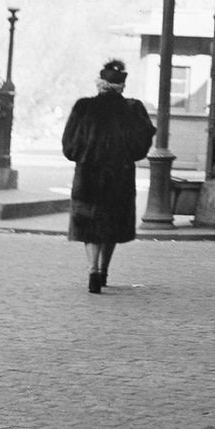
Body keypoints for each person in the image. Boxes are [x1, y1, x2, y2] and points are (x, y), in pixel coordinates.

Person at [61, 58, 156, 294]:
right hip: (119, 176)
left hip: (88, 175)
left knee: (89, 225)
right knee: (113, 224)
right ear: (121, 85)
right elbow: (141, 145)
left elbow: (69, 146)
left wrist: (83, 154)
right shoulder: (133, 109)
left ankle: (92, 270)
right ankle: (104, 271)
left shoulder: (83, 107)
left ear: (99, 84)